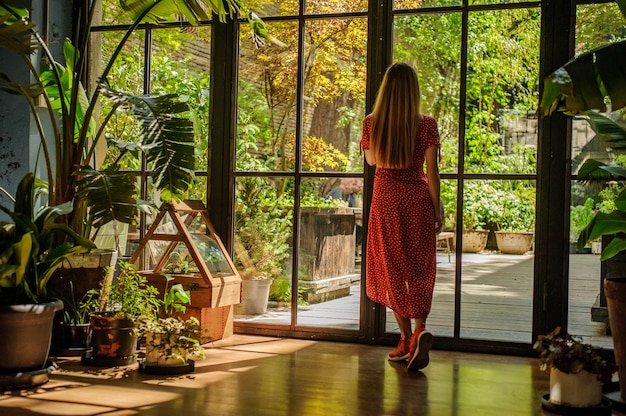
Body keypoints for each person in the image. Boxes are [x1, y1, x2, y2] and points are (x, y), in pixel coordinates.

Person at [360, 62, 442, 371]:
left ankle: (407, 338)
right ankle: (420, 329)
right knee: (420, 267)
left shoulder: (372, 123)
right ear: (414, 90)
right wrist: (439, 207)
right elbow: (431, 172)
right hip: (418, 200)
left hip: (386, 201)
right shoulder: (427, 124)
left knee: (391, 268)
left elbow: (372, 161)